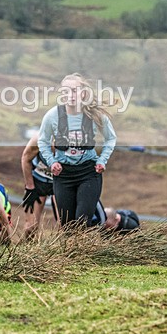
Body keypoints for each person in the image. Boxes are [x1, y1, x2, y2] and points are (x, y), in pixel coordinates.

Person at [38, 73, 117, 228]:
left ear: (83, 92)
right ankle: (71, 252)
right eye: (66, 91)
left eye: (74, 90)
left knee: (82, 221)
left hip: (88, 173)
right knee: (67, 225)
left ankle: (85, 251)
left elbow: (111, 138)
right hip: (63, 174)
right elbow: (42, 141)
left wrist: (102, 160)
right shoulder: (52, 116)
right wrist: (52, 161)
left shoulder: (95, 115)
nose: (71, 95)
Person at [20, 131, 55, 239]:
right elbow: (25, 159)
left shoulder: (72, 140)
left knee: (65, 224)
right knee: (30, 227)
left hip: (60, 183)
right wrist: (30, 187)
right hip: (38, 181)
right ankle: (29, 251)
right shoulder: (39, 138)